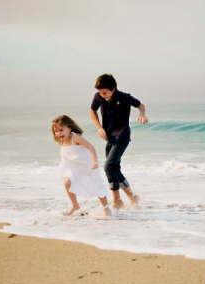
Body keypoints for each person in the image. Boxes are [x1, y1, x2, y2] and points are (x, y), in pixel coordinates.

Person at [90, 74, 148, 210]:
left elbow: (140, 105)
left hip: (122, 137)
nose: (102, 95)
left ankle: (117, 199)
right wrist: (99, 128)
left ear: (113, 88)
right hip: (109, 137)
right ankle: (132, 197)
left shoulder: (123, 97)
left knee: (108, 167)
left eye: (105, 92)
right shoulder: (98, 96)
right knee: (114, 169)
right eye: (100, 92)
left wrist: (142, 114)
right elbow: (93, 110)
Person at [52, 115, 111, 216]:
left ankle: (106, 208)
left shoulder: (75, 138)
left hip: (87, 165)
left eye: (61, 130)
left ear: (69, 128)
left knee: (96, 186)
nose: (59, 133)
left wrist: (95, 162)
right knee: (67, 183)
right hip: (73, 167)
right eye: (56, 131)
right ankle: (75, 206)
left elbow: (91, 147)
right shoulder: (61, 140)